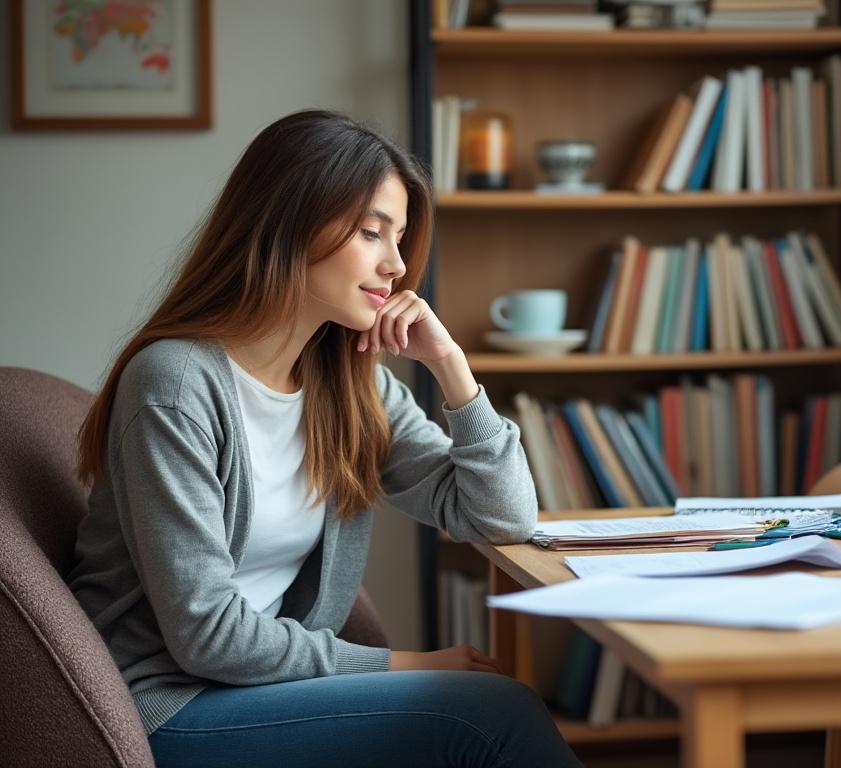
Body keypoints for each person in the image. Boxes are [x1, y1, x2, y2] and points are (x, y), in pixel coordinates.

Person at [67, 109, 582, 767]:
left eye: (399, 238)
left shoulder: (350, 387)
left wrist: (453, 369)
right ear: (289, 222)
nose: (396, 265)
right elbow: (208, 636)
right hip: (167, 709)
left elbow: (501, 517)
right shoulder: (175, 383)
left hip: (261, 692)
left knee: (494, 709)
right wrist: (404, 665)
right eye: (372, 233)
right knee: (490, 716)